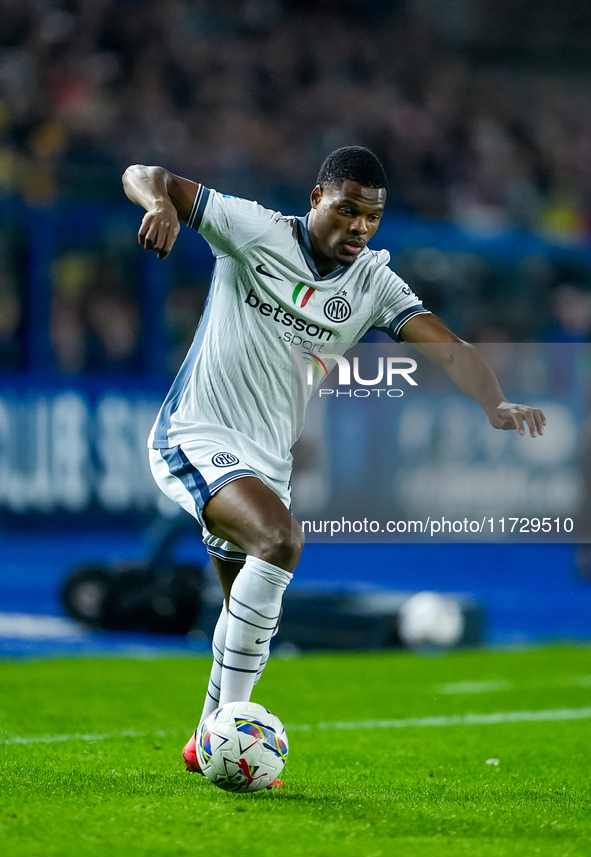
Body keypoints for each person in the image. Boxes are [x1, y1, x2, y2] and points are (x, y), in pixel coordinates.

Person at [122, 146, 545, 781]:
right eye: (347, 211)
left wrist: (496, 402)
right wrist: (160, 204)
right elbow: (145, 174)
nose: (358, 228)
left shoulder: (373, 283)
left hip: (266, 462)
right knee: (280, 539)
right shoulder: (255, 229)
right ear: (317, 199)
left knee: (246, 611)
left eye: (371, 217)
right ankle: (229, 731)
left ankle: (205, 737)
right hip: (195, 433)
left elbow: (451, 349)